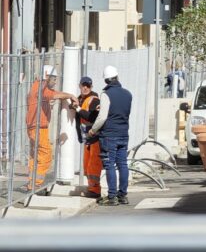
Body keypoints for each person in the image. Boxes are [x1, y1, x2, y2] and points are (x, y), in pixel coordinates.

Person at [25, 65, 78, 193]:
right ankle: (35, 185)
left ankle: (32, 183)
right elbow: (54, 95)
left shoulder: (37, 86)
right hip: (38, 127)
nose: (55, 82)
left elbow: (49, 96)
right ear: (46, 76)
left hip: (34, 126)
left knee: (35, 156)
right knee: (46, 155)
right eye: (54, 79)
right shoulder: (41, 87)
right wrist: (70, 95)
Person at [88, 66, 132, 206]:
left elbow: (102, 117)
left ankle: (112, 197)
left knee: (109, 165)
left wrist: (93, 130)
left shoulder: (106, 94)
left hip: (109, 135)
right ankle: (122, 195)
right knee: (123, 164)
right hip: (123, 134)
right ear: (117, 77)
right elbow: (120, 112)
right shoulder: (128, 94)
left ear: (106, 80)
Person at [72, 76, 102, 199]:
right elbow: (78, 120)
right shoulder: (80, 99)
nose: (85, 88)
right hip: (87, 138)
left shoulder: (94, 100)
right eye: (83, 85)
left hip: (95, 138)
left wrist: (77, 108)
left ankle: (95, 190)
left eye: (88, 86)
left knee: (93, 165)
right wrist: (79, 135)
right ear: (79, 86)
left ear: (91, 87)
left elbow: (91, 117)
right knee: (87, 165)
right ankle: (92, 188)